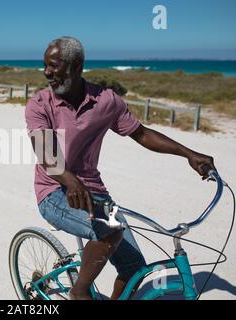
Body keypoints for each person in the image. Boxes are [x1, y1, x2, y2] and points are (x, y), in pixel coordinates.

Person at [25, 37, 216, 300]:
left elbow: (142, 134)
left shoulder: (106, 101)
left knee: (134, 266)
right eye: (45, 65)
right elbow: (47, 155)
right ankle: (78, 291)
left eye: (54, 66)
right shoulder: (39, 104)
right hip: (54, 191)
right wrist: (70, 181)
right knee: (110, 231)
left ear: (77, 66)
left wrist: (188, 154)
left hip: (94, 192)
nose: (47, 72)